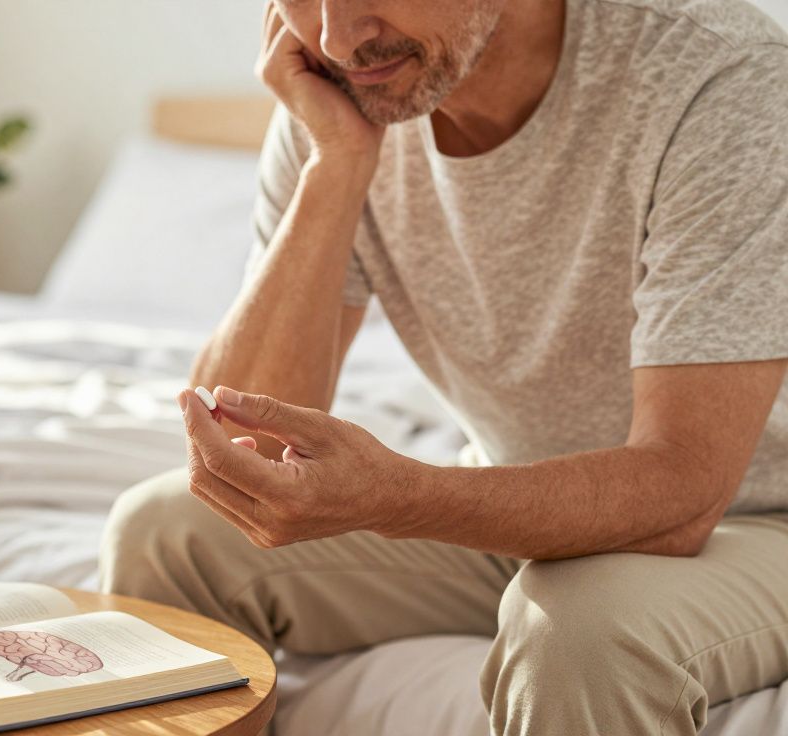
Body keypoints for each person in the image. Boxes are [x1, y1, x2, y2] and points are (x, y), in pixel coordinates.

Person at [98, 0, 788, 733]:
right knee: (166, 533)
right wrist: (337, 162)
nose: (337, 38)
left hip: (753, 519)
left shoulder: (719, 77)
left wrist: (398, 496)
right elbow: (247, 453)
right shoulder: (342, 90)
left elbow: (685, 491)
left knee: (582, 635)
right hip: (516, 496)